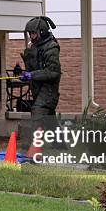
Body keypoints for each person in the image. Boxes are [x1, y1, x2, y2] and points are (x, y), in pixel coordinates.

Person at [19, 16, 61, 147]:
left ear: (42, 31)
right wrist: (23, 73)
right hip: (38, 90)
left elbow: (53, 72)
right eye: (30, 33)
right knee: (50, 120)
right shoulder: (34, 47)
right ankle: (59, 146)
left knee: (37, 112)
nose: (31, 36)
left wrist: (32, 75)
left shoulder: (51, 48)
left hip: (48, 91)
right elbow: (32, 67)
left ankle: (34, 147)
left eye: (33, 33)